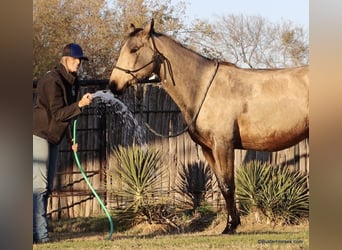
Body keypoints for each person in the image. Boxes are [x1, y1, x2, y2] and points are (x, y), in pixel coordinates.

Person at [33, 43, 92, 244]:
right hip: (38, 134)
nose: (79, 63)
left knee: (47, 187)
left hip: (54, 136)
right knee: (39, 187)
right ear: (65, 59)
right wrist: (80, 104)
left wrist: (69, 139)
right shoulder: (52, 80)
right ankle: (41, 236)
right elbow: (59, 113)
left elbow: (65, 115)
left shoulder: (72, 81)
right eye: (76, 59)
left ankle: (36, 232)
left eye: (80, 60)